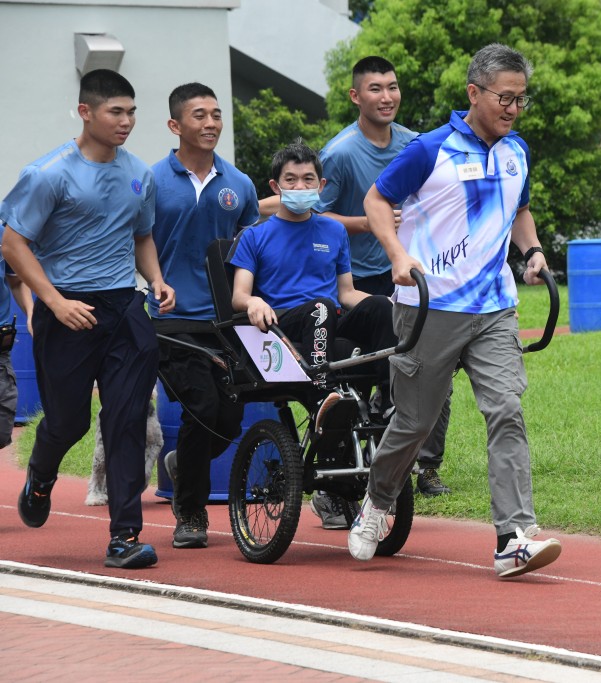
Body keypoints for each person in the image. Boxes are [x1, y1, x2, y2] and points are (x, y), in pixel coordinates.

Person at [350, 43, 562, 579]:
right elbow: (377, 201)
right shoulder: (429, 149)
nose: (514, 108)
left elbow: (520, 209)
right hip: (429, 308)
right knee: (415, 423)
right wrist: (398, 255)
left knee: (506, 411)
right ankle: (378, 499)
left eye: (521, 99)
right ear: (474, 93)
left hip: (494, 308)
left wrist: (531, 252)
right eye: (504, 98)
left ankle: (513, 536)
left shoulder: (518, 152)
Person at [259, 57, 451, 526]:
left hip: (406, 275)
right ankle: (336, 480)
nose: (386, 97)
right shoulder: (341, 153)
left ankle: (424, 465)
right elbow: (306, 212)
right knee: (355, 380)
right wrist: (370, 223)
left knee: (427, 367)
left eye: (393, 87)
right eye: (375, 88)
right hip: (353, 280)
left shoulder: (414, 144)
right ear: (355, 96)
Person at [0, 68, 175, 569]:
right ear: (85, 112)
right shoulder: (49, 173)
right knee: (69, 420)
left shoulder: (139, 173)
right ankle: (40, 471)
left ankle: (124, 537)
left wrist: (156, 278)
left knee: (125, 422)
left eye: (131, 112)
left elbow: (141, 235)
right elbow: (13, 242)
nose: (126, 121)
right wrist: (53, 303)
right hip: (68, 311)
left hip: (125, 307)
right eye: (115, 112)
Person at [151, 82, 261, 549]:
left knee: (228, 420)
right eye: (199, 116)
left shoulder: (240, 185)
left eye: (216, 115)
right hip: (171, 322)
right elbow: (135, 241)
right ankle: (191, 512)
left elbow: (253, 251)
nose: (211, 123)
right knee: (200, 407)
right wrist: (152, 283)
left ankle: (183, 464)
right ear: (176, 125)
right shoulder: (151, 181)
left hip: (224, 323)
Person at [230, 141, 395, 397]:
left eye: (308, 179)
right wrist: (253, 302)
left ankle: (387, 398)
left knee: (382, 307)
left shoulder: (335, 230)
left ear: (321, 186)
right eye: (291, 179)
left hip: (331, 317)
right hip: (283, 321)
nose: (300, 186)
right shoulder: (254, 236)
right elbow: (239, 295)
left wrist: (391, 304)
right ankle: (323, 390)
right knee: (321, 307)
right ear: (275, 186)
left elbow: (347, 293)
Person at [0, 252, 33, 449]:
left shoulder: (3, 235)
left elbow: (16, 281)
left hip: (1, 353)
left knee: (2, 429)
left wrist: (30, 313)